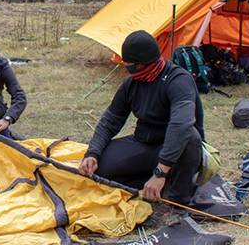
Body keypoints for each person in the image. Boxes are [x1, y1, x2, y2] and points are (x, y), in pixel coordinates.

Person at [77, 31, 205, 218]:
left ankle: (176, 198)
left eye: (129, 67)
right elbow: (110, 120)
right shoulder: (131, 84)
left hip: (177, 150)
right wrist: (93, 153)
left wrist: (160, 172)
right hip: (145, 143)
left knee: (190, 137)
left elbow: (181, 125)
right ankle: (152, 182)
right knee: (101, 169)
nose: (127, 71)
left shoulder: (178, 80)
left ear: (141, 64)